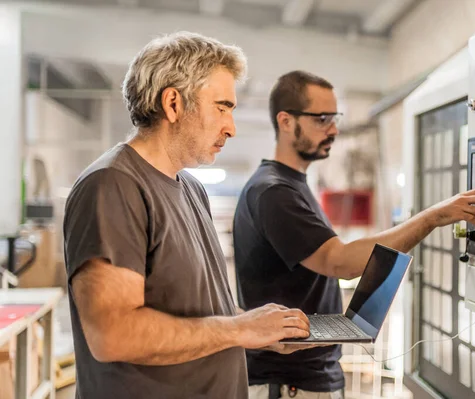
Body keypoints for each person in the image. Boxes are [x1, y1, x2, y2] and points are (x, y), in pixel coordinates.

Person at [62, 32, 312, 399]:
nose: (231, 126)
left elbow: (197, 310)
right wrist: (238, 329)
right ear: (174, 104)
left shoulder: (190, 188)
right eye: (222, 107)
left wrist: (261, 328)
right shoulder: (113, 185)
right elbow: (112, 334)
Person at [233, 70, 475, 399]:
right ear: (286, 121)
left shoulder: (292, 185)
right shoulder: (274, 191)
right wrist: (432, 217)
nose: (333, 129)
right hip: (288, 382)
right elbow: (340, 261)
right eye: (322, 119)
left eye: (335, 118)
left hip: (306, 376)